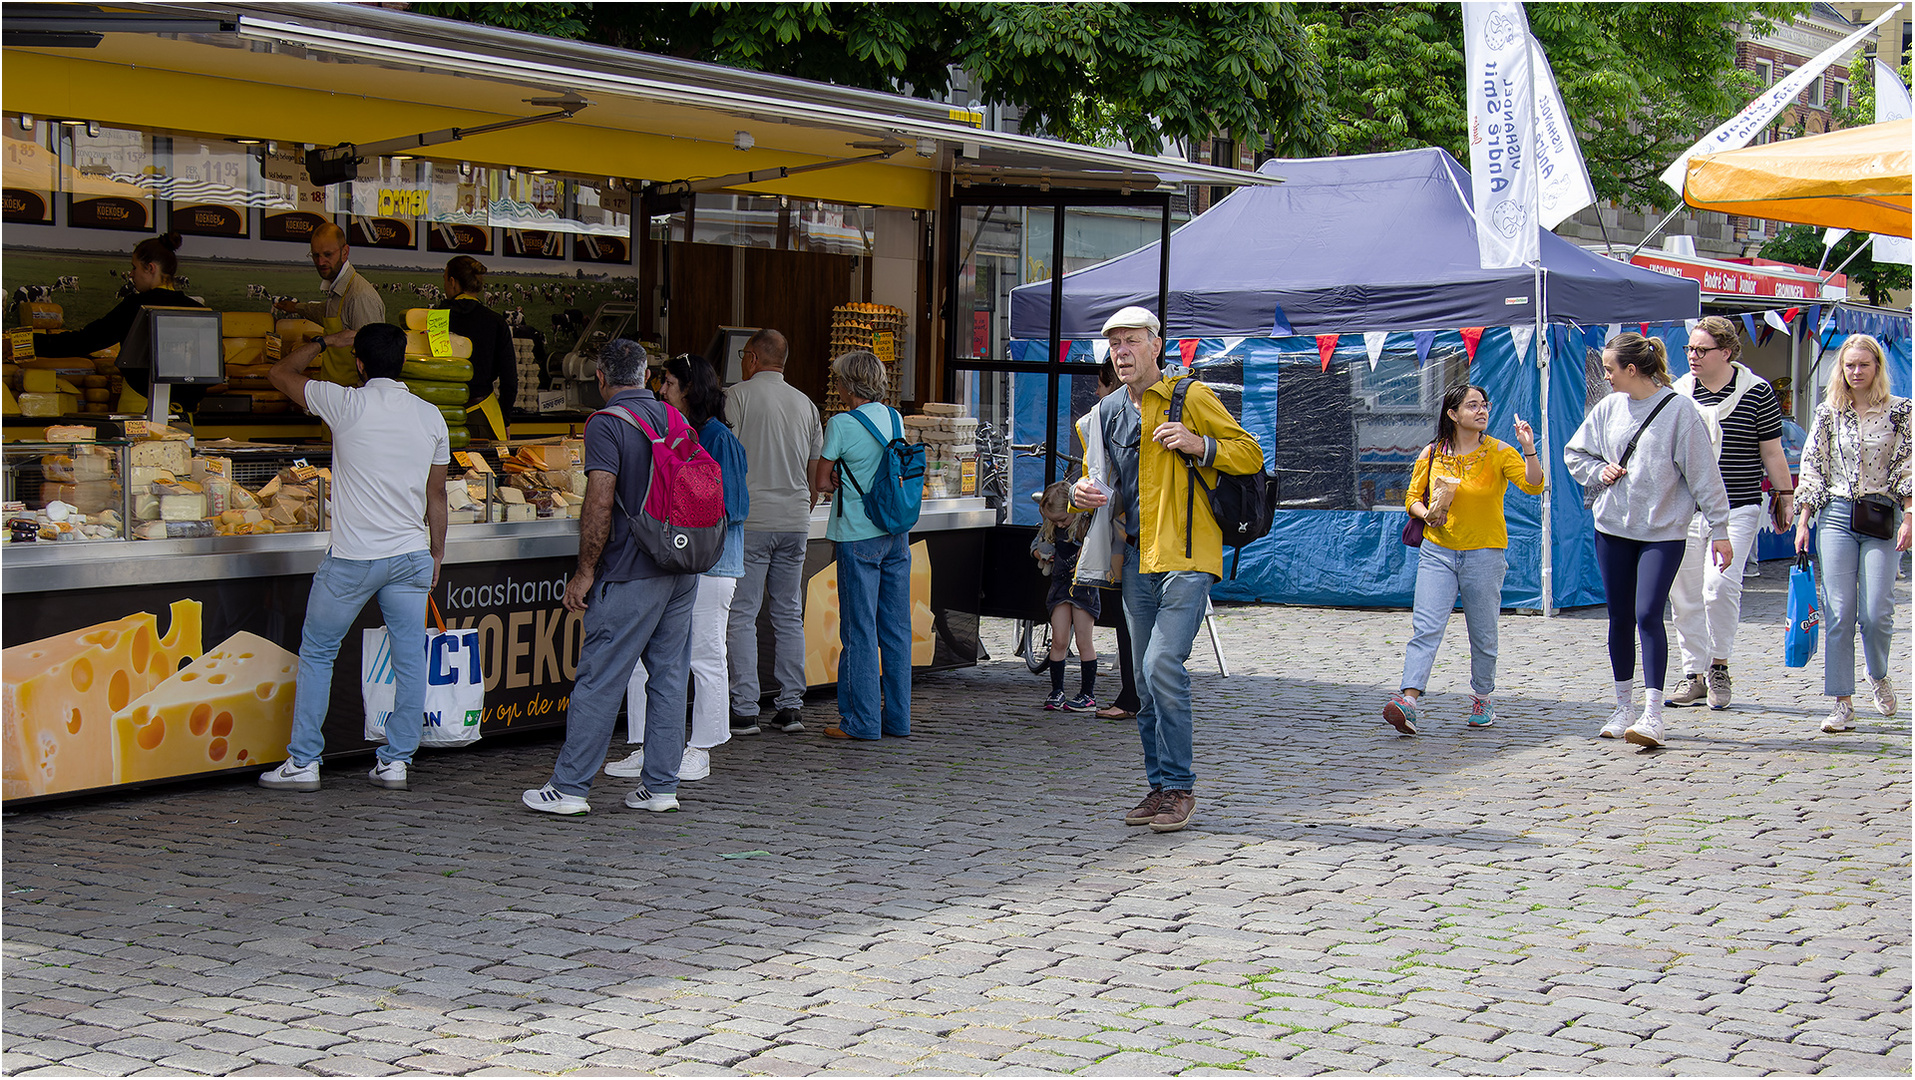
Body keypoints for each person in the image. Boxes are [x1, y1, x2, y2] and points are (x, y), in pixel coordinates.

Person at [1070, 307, 1263, 833]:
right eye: (1114, 345)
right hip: (1136, 557)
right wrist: (1080, 493)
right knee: (1140, 678)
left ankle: (1180, 786)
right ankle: (1159, 789)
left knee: (1160, 666)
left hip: (1189, 555)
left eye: (1131, 342)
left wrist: (1200, 445)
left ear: (1157, 346)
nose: (1121, 353)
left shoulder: (1192, 397)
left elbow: (1251, 455)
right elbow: (1093, 479)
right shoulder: (1107, 410)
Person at [256, 323, 449, 792]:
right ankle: (396, 761)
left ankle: (303, 762)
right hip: (409, 556)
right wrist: (437, 555)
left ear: (359, 363)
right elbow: (437, 496)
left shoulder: (344, 403)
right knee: (409, 660)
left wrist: (324, 343)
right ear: (402, 361)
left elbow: (279, 373)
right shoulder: (431, 417)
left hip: (352, 559)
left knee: (320, 653)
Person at [522, 339, 697, 815]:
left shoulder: (605, 423)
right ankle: (661, 786)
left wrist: (584, 572)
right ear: (645, 375)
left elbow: (599, 502)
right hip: (680, 565)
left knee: (600, 677)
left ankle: (570, 787)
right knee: (668, 676)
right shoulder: (674, 417)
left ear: (600, 377)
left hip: (630, 568)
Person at [1564, 333, 1732, 749]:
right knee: (1619, 616)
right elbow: (1575, 453)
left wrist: (1721, 529)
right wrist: (1597, 471)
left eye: (1609, 369)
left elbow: (1704, 475)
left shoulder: (1680, 412)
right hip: (1613, 528)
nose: (1605, 376)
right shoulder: (1607, 408)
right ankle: (1623, 706)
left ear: (1632, 369)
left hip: (1663, 532)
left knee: (1648, 613)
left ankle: (1653, 713)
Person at [605, 353, 749, 783]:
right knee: (646, 659)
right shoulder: (675, 431)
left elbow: (736, 506)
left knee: (705, 654)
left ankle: (702, 746)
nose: (660, 390)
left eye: (667, 382)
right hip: (676, 562)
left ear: (688, 388)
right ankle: (647, 744)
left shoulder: (717, 437)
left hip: (712, 563)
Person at [1383, 384, 1544, 735]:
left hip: (1485, 553)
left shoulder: (1500, 452)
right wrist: (1426, 513)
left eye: (1484, 404)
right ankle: (1408, 701)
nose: (1481, 410)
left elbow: (1534, 486)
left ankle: (1483, 698)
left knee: (1483, 632)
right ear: (1453, 414)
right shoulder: (1432, 452)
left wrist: (1529, 449)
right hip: (1437, 551)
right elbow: (1411, 497)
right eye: (1472, 405)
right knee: (1425, 627)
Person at [1665, 315, 1794, 711]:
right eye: (1689, 348)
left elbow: (1771, 451)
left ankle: (1719, 665)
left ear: (1726, 352)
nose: (1692, 356)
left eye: (1701, 350)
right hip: (1686, 509)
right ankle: (1694, 674)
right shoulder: (1678, 393)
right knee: (1684, 594)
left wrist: (1786, 494)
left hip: (1738, 505)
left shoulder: (1756, 392)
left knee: (1718, 587)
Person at [1793, 334, 1910, 733]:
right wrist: (1804, 517)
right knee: (1839, 611)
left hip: (1881, 515)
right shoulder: (1829, 412)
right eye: (1849, 365)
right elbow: (1813, 464)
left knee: (1876, 611)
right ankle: (1842, 701)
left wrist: (1909, 515)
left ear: (1877, 367)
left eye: (1863, 364)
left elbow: (1908, 466)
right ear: (1840, 370)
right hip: (1837, 513)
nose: (1856, 371)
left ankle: (1878, 673)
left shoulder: (1901, 412)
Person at [724, 328, 823, 736]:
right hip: (794, 521)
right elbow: (816, 475)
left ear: (751, 357)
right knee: (788, 613)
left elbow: (723, 460)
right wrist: (803, 505)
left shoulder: (738, 396)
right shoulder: (806, 404)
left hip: (752, 521)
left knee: (742, 615)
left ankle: (745, 708)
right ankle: (791, 705)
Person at [811, 351, 913, 741]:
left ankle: (862, 722)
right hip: (894, 533)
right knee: (896, 630)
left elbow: (822, 481)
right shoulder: (893, 417)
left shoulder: (840, 423)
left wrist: (836, 472)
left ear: (847, 386)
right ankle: (898, 720)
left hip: (857, 535)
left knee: (859, 631)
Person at [30, 232, 204, 412]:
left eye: (134, 268)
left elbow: (85, 340)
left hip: (140, 405)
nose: (131, 274)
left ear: (150, 268)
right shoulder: (196, 310)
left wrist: (26, 343)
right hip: (184, 412)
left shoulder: (136, 306)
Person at [1086, 359, 1140, 721]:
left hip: (1125, 537)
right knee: (1129, 619)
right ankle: (1134, 693)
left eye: (1101, 386)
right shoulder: (1108, 415)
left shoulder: (1109, 416)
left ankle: (1132, 695)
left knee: (1130, 620)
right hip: (1126, 534)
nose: (1097, 393)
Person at [274, 222, 386, 388]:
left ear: (344, 252)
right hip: (335, 398)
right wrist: (295, 307)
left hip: (351, 401)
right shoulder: (338, 290)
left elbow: (374, 361)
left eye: (328, 254)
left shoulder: (359, 296)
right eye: (316, 255)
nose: (321, 262)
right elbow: (325, 313)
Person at [1031, 480, 1100, 711]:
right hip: (1060, 586)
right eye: (1054, 520)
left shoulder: (1086, 525)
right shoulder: (1051, 526)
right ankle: (1056, 689)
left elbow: (1100, 545)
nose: (1059, 524)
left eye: (1062, 519)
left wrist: (1085, 553)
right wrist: (1039, 553)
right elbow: (1036, 543)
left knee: (1083, 640)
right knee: (1059, 639)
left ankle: (1087, 693)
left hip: (1083, 587)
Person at [438, 255, 517, 439]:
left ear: (453, 282)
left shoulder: (436, 318)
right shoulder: (496, 322)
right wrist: (504, 419)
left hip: (442, 417)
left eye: (444, 280)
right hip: (482, 417)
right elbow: (510, 381)